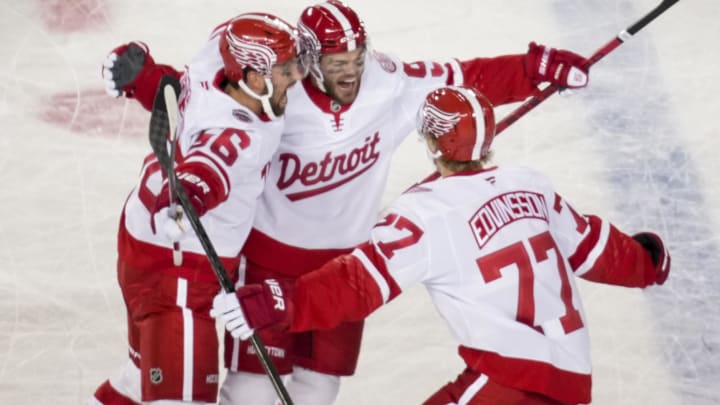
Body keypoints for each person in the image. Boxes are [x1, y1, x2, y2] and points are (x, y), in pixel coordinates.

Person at [100, 1, 592, 403]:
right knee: (251, 392)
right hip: (263, 265)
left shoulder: (386, 82)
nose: (351, 73)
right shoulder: (273, 99)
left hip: (341, 271)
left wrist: (533, 70)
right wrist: (149, 85)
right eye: (338, 65)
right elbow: (201, 102)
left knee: (319, 390)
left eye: (356, 59)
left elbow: (463, 78)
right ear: (307, 61)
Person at [210, 85, 672, 405]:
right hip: (572, 381)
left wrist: (279, 301)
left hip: (507, 382)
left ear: (432, 142)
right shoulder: (532, 186)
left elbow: (357, 283)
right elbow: (594, 247)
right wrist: (647, 261)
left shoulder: (424, 213)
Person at [90, 13, 305, 405]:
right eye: (285, 71)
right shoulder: (240, 135)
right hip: (179, 273)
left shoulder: (215, 60)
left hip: (145, 245)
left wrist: (143, 77)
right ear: (254, 78)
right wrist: (184, 200)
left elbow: (176, 90)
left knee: (143, 379)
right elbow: (208, 170)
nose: (295, 78)